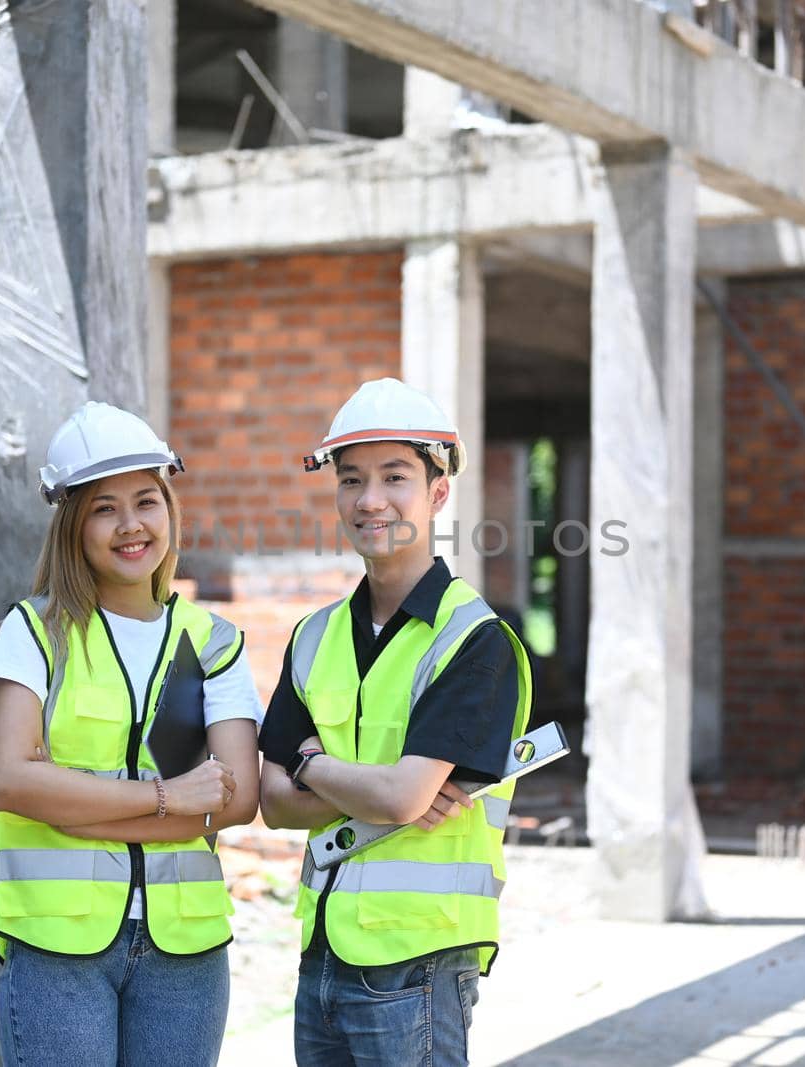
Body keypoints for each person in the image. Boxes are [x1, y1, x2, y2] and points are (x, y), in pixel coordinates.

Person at [0, 401, 262, 1067]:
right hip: (56, 944)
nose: (130, 525)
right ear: (72, 524)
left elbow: (236, 797)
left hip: (183, 951)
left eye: (146, 500)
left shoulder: (211, 642)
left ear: (169, 506)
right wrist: (168, 799)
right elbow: (8, 778)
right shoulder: (36, 634)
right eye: (104, 507)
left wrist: (72, 805)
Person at [258, 378, 533, 1066]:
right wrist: (381, 787)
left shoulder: (473, 639)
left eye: (394, 476)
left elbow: (402, 796)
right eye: (351, 479)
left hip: (420, 963)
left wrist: (309, 763)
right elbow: (271, 803)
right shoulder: (315, 636)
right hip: (322, 953)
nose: (369, 498)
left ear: (439, 492)